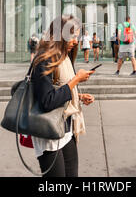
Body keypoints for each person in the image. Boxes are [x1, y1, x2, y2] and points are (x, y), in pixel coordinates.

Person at [30, 15, 95, 177]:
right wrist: (76, 80)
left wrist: (78, 96)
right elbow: (47, 100)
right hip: (49, 131)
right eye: (73, 37)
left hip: (66, 127)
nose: (75, 41)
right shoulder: (44, 58)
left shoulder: (64, 56)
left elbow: (58, 88)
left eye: (77, 37)